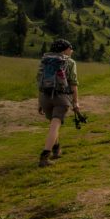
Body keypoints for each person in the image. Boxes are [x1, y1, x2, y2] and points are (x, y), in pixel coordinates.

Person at [37, 39, 80, 167]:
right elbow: (73, 84)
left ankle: (56, 149)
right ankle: (45, 155)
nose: (72, 50)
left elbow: (39, 82)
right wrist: (76, 102)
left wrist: (40, 102)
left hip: (45, 97)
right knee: (55, 125)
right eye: (70, 48)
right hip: (61, 98)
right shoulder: (70, 62)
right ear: (64, 50)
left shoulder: (45, 61)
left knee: (53, 125)